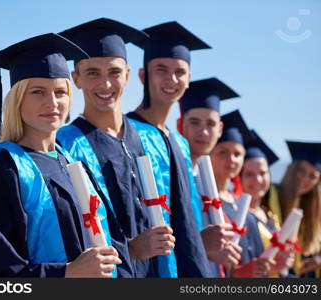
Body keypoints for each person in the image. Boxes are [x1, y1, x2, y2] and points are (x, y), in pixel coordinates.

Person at [0, 33, 133, 278]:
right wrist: (67, 273)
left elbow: (116, 246)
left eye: (60, 92)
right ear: (17, 100)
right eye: (38, 92)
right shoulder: (4, 174)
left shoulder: (76, 166)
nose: (52, 102)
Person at [58, 18, 209, 277]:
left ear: (127, 75)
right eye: (93, 72)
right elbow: (67, 232)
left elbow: (184, 228)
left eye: (114, 72)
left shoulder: (156, 141)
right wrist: (128, 249)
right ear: (76, 79)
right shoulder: (64, 145)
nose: (105, 84)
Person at [126, 21, 218, 278]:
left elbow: (187, 214)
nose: (171, 79)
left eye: (180, 72)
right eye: (161, 70)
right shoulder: (126, 132)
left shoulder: (180, 143)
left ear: (188, 79)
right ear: (143, 76)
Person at [179, 77, 243, 276]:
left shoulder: (209, 185)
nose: (203, 131)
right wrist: (201, 247)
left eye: (210, 124)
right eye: (195, 122)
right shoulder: (171, 174)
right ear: (181, 125)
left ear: (220, 129)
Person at [210, 110, 274, 277]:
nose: (231, 160)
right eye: (223, 152)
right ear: (210, 153)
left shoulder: (244, 208)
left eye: (237, 154)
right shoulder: (203, 201)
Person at [241, 130, 295, 277]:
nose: (258, 180)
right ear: (239, 177)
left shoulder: (268, 213)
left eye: (262, 173)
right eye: (249, 174)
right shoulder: (239, 217)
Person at [278, 141, 321, 277]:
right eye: (301, 171)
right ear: (292, 169)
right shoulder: (270, 197)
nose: (305, 179)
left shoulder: (314, 212)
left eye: (312, 176)